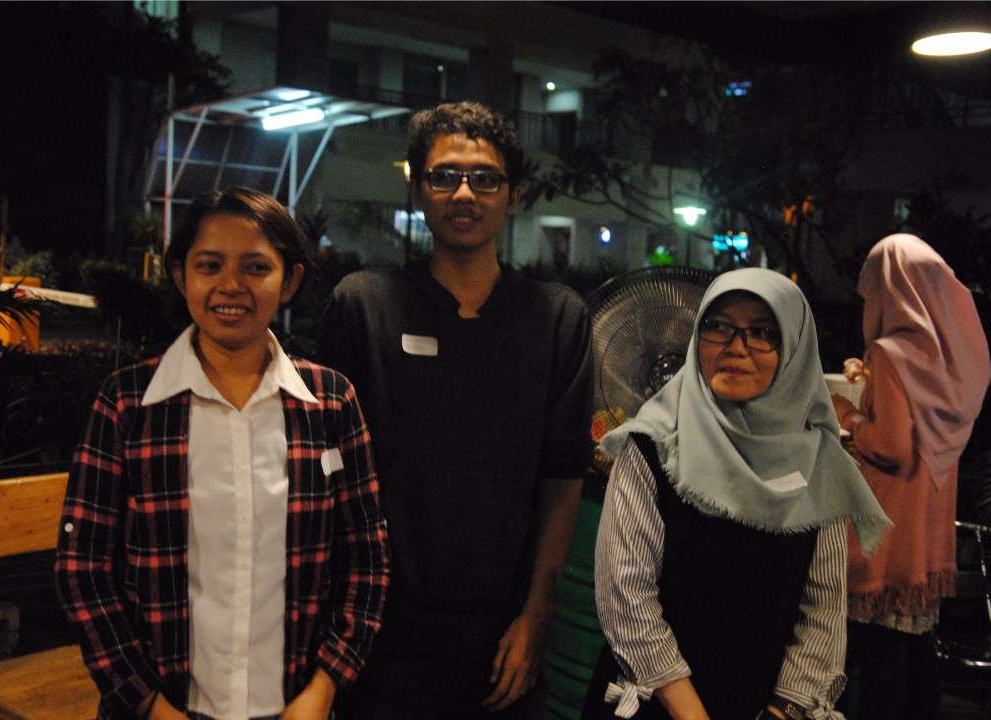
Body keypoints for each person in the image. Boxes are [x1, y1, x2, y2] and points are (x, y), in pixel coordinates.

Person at [55, 187, 390, 720]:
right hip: (159, 708)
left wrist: (324, 687)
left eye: (256, 267)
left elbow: (366, 560)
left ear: (290, 280)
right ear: (180, 275)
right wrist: (148, 705)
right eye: (209, 265)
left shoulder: (331, 401)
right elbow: (82, 569)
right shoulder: (128, 403)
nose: (231, 285)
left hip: (295, 707)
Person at [317, 101, 593, 719]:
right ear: (417, 189)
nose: (464, 193)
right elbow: (325, 475)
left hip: (503, 634)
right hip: (380, 632)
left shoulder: (557, 318)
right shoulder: (364, 305)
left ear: (513, 196)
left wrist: (537, 616)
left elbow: (563, 480)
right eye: (444, 176)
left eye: (485, 178)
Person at [587, 268, 890, 720]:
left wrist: (782, 709)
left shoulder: (819, 463)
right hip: (657, 701)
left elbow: (822, 613)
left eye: (763, 333)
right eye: (719, 326)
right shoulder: (654, 446)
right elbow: (626, 595)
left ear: (794, 349)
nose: (736, 347)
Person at [832, 233, 991, 720]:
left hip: (887, 528)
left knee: (877, 660)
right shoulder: (949, 358)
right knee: (915, 652)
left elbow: (892, 448)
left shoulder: (891, 353)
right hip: (925, 529)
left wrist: (848, 414)